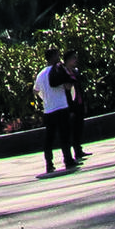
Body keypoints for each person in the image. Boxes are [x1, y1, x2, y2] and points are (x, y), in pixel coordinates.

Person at [35, 46, 78, 175]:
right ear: (53, 57)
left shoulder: (41, 74)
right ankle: (68, 160)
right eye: (57, 55)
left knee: (49, 138)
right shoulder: (59, 70)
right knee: (64, 135)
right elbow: (67, 86)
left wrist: (45, 98)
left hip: (48, 110)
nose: (59, 58)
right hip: (61, 107)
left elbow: (35, 91)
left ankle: (49, 164)